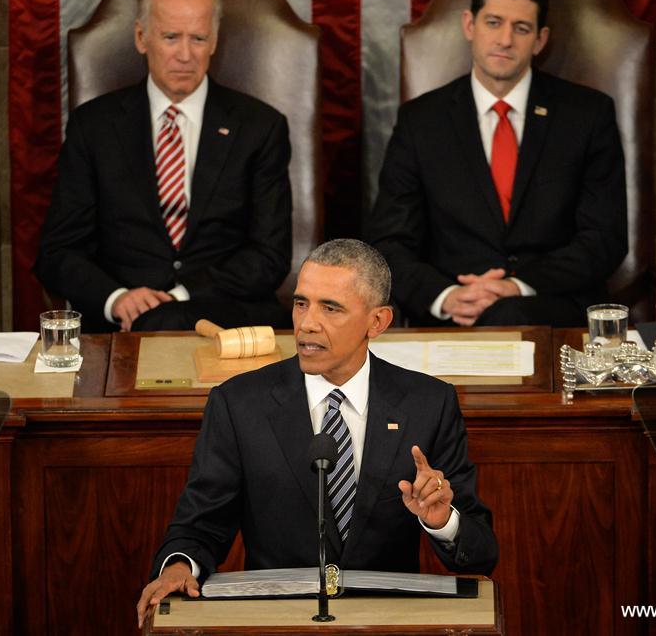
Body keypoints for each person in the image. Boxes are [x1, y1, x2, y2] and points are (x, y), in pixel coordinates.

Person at [136, 239, 497, 627]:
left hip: (387, 622)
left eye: (331, 308)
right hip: (277, 623)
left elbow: (480, 554)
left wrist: (443, 520)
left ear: (377, 322)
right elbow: (198, 525)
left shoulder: (428, 403)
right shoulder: (239, 404)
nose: (307, 323)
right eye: (301, 302)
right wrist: (178, 566)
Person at [367, 0, 627, 327]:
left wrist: (517, 287)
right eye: (493, 23)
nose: (505, 40)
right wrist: (446, 297)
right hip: (452, 319)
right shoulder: (421, 121)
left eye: (521, 28)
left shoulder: (588, 115)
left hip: (551, 310)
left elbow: (604, 239)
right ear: (469, 26)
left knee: (509, 315)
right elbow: (389, 242)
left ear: (540, 40)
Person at [36, 0, 292, 333]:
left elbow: (269, 255)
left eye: (198, 38)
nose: (185, 55)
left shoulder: (260, 127)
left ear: (215, 41)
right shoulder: (93, 126)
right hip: (120, 325)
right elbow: (57, 252)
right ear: (141, 37)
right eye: (171, 37)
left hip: (224, 315)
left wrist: (181, 296)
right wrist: (117, 299)